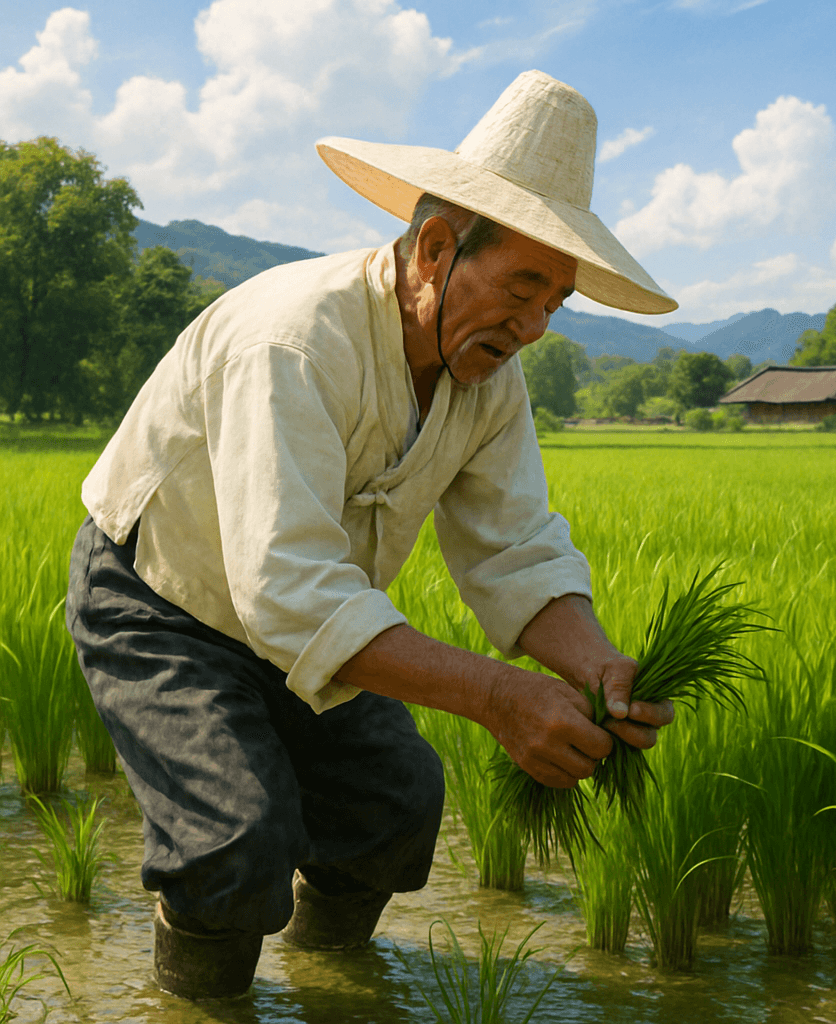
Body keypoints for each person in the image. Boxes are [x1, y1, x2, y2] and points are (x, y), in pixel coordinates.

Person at [65, 69, 679, 1000]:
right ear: (435, 248)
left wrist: (597, 669)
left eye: (555, 302)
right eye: (523, 286)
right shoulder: (294, 339)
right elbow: (286, 589)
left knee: (396, 804)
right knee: (234, 841)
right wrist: (500, 696)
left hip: (308, 615)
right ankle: (200, 1003)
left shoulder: (488, 374)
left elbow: (513, 545)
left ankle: (333, 988)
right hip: (166, 600)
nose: (535, 326)